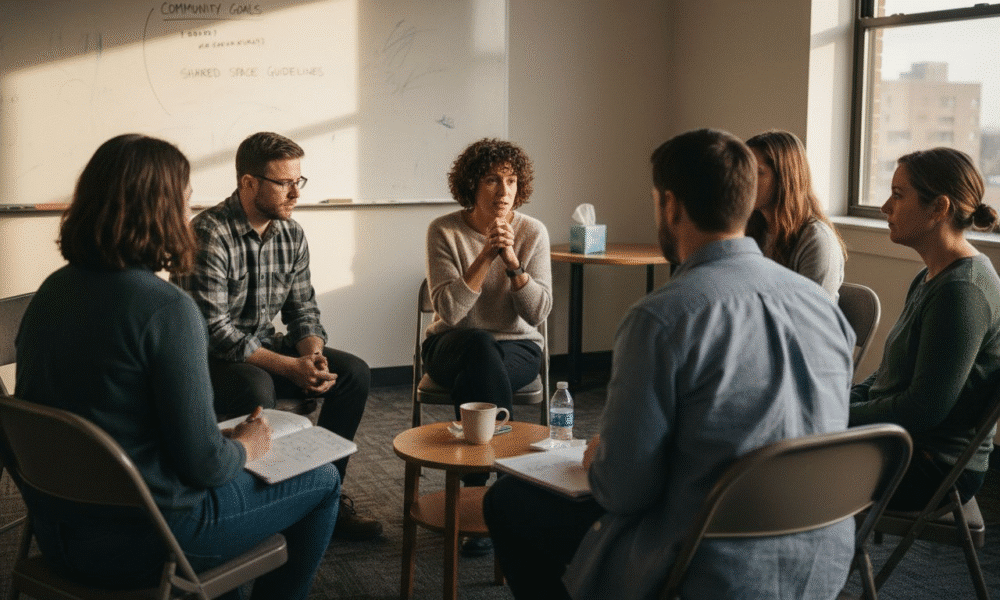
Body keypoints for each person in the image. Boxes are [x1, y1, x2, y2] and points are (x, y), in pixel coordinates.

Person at [483, 128, 857, 600]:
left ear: (671, 206)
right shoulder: (822, 307)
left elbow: (623, 491)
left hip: (708, 562)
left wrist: (600, 458)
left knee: (509, 501)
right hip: (821, 560)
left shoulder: (661, 319)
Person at [14, 134, 340, 600]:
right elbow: (206, 467)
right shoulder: (165, 309)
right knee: (324, 479)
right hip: (151, 543)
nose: (189, 213)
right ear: (161, 210)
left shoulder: (51, 292)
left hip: (58, 536)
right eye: (184, 199)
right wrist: (245, 445)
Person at [170, 131, 381, 541]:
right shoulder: (209, 233)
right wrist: (290, 367)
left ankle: (327, 496)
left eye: (298, 181)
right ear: (249, 183)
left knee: (353, 373)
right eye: (284, 183)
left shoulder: (291, 234)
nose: (295, 193)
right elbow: (216, 332)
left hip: (263, 346)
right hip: (208, 358)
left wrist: (313, 356)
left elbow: (303, 310)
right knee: (256, 387)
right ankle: (261, 505)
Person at [849, 147, 1000, 510]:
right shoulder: (931, 276)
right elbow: (888, 376)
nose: (885, 207)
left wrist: (834, 414)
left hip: (932, 466)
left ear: (938, 208)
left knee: (778, 464)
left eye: (898, 195)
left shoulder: (962, 291)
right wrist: (838, 402)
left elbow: (922, 409)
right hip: (905, 443)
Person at [423, 138, 551, 555]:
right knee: (479, 346)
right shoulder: (444, 230)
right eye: (493, 180)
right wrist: (485, 256)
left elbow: (537, 313)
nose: (503, 191)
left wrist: (513, 263)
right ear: (472, 185)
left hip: (517, 349)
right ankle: (504, 490)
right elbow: (450, 312)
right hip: (452, 344)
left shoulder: (532, 232)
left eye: (511, 181)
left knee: (483, 365)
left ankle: (474, 487)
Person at [745, 130, 846, 300]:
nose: (745, 180)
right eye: (743, 170)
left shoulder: (816, 241)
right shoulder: (751, 229)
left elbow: (809, 313)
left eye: (757, 172)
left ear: (785, 178)